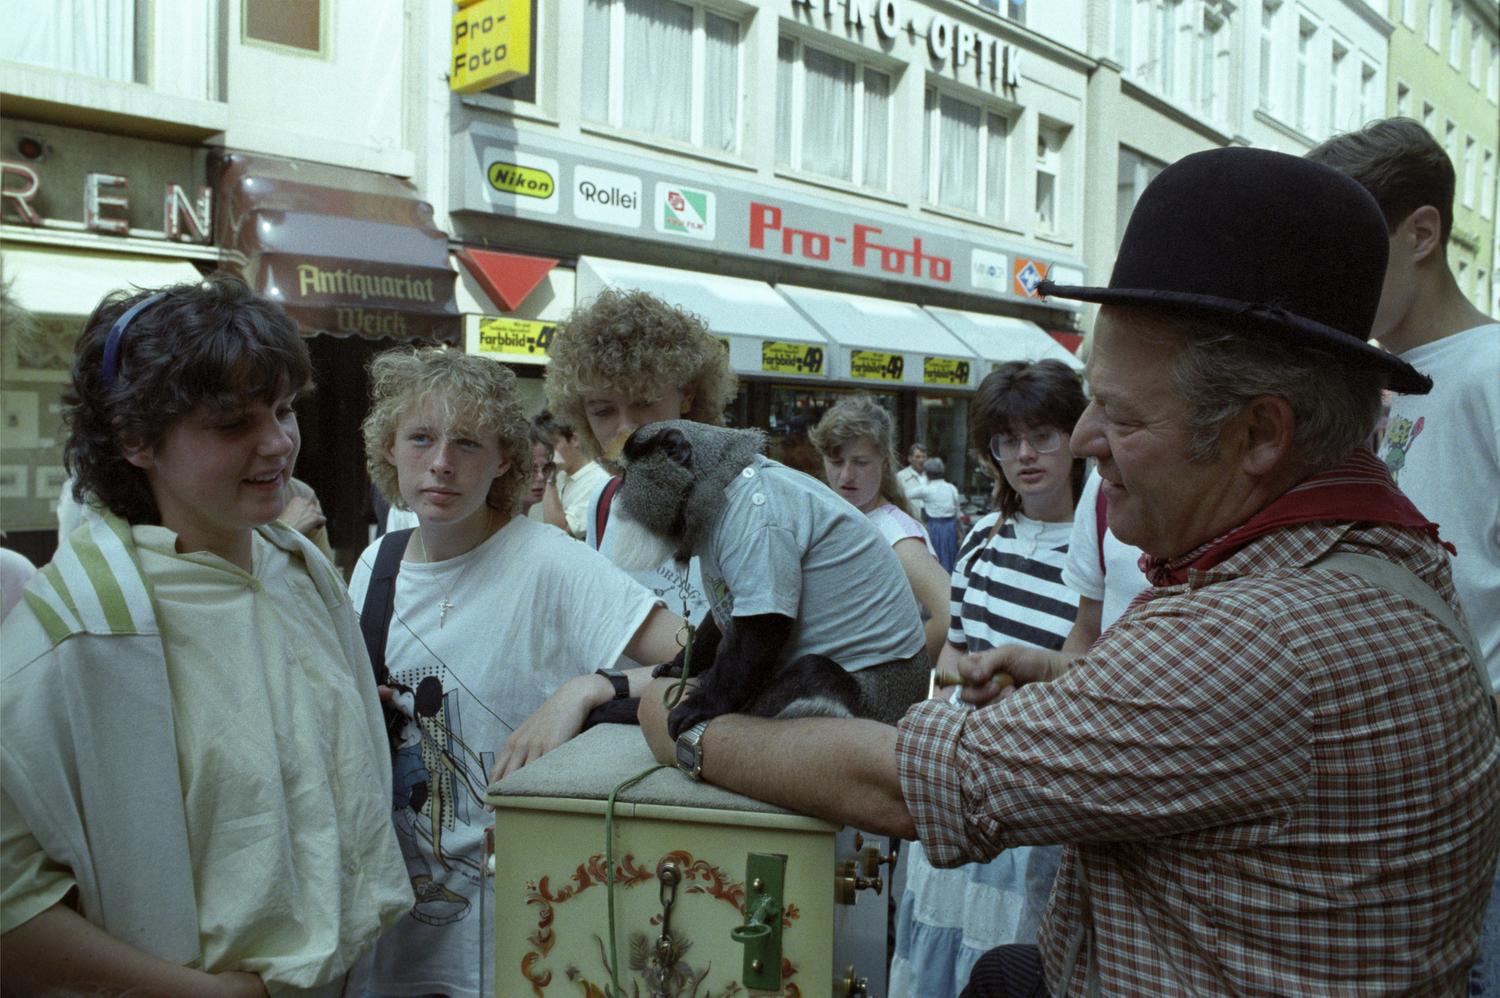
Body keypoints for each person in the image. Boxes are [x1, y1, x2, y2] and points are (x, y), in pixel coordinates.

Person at [636, 148, 1500, 994]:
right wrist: (1077, 681)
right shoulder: (1388, 560)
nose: (1086, 441)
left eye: (1120, 417)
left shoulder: (1249, 637)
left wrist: (691, 728)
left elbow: (908, 787)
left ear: (1260, 434)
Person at [1, 277, 411, 996]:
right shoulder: (77, 631)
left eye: (283, 410)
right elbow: (12, 902)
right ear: (135, 440)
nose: (278, 443)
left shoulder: (302, 571)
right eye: (232, 424)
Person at [350, 346, 684, 998]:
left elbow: (702, 654)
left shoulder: (547, 562)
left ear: (506, 457)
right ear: (389, 448)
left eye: (467, 442)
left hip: (529, 924)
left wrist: (593, 686)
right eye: (421, 438)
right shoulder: (375, 566)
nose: (442, 462)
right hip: (398, 925)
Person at [1308, 114, 1500, 996]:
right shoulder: (1379, 383)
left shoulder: (1491, 371)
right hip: (1400, 777)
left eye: (1356, 248)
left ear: (1421, 233)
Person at [890, 360, 1088, 998]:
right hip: (963, 780)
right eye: (1008, 441)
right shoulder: (982, 538)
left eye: (1043, 436)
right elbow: (954, 648)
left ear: (1075, 437)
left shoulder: (1103, 550)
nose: (1025, 455)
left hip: (1035, 795)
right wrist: (951, 690)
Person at [545, 287, 738, 627]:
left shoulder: (744, 503)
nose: (627, 427)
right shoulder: (605, 502)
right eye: (603, 411)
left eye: (645, 402)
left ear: (688, 395)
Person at [809, 396, 949, 667]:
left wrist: (894, 678)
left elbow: (948, 615)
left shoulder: (897, 533)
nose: (846, 476)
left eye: (860, 462)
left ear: (884, 462)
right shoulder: (832, 515)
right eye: (836, 461)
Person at [1057, 470, 1148, 654]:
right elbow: (1087, 629)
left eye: (1124, 437)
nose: (1078, 448)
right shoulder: (1103, 483)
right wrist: (1055, 674)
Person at [534, 408, 608, 538]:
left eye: (552, 444)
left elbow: (558, 533)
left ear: (574, 440)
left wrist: (550, 480)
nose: (549, 454)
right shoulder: (562, 475)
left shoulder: (598, 481)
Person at [910, 457, 962, 572]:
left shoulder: (926, 490)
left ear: (927, 473)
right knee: (949, 556)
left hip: (935, 527)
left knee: (935, 558)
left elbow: (905, 495)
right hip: (950, 528)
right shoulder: (951, 488)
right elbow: (957, 514)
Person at [897, 441, 929, 518]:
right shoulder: (901, 477)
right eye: (917, 457)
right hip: (911, 518)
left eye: (924, 457)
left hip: (931, 520)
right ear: (910, 459)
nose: (921, 460)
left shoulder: (931, 476)